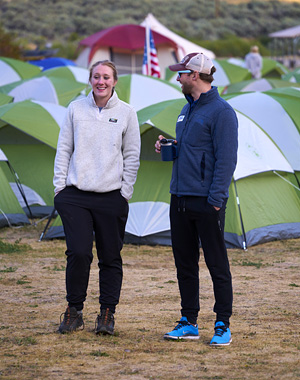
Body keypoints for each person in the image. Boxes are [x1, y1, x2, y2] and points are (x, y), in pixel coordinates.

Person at [155, 53, 238, 346]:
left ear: (194, 76)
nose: (177, 78)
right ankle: (189, 322)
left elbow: (226, 159)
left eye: (181, 74)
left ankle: (222, 324)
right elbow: (196, 149)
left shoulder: (222, 112)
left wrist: (215, 200)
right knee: (185, 264)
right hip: (179, 198)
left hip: (207, 201)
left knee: (217, 264)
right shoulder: (186, 109)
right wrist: (172, 146)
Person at [54, 60, 140, 335]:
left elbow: (132, 155)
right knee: (78, 253)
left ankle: (106, 313)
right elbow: (64, 149)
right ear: (90, 80)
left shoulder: (127, 113)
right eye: (96, 76)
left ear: (115, 81)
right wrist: (59, 189)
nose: (101, 81)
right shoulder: (76, 109)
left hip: (111, 197)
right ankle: (74, 310)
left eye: (106, 77)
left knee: (110, 256)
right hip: (75, 195)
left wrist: (125, 192)